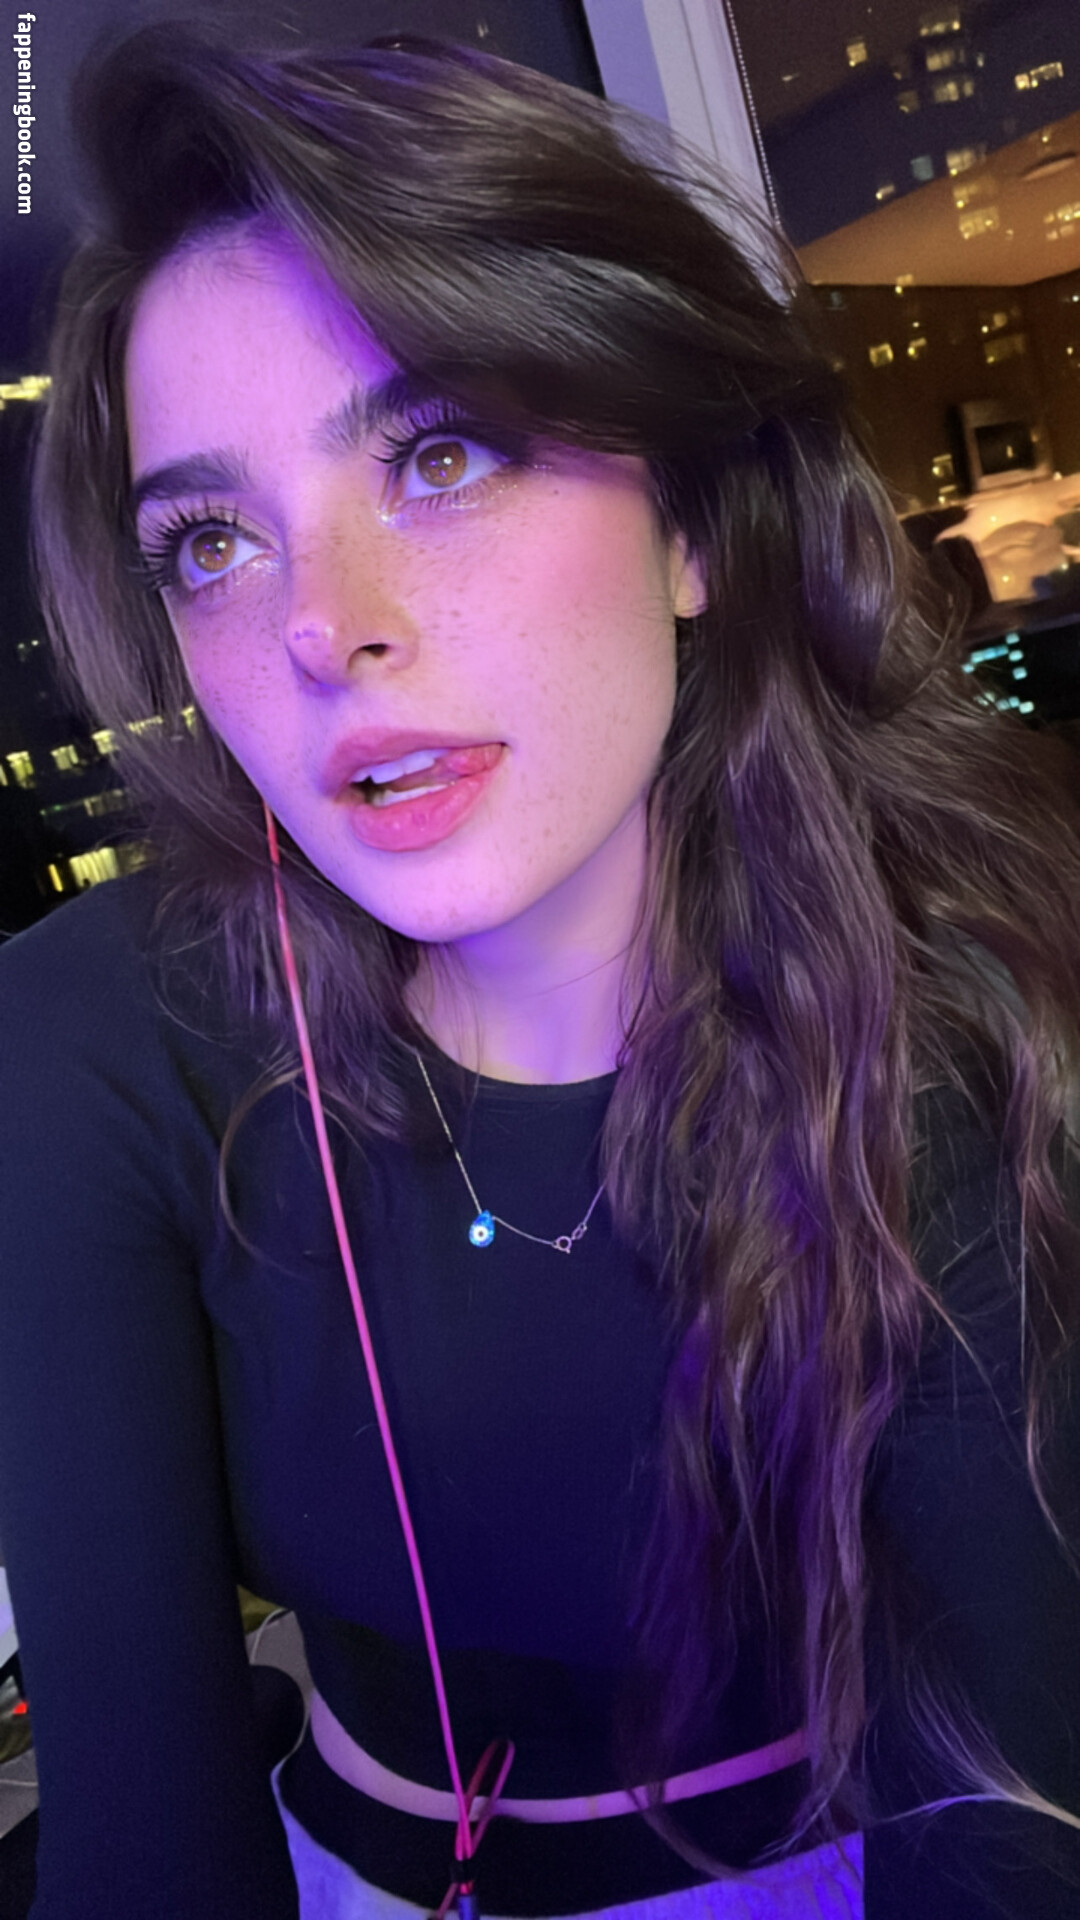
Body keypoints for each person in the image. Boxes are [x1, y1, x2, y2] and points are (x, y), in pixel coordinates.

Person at [1, 21, 1079, 1920]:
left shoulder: (942, 998)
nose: (325, 628)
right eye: (214, 540)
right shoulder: (100, 1034)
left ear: (690, 524)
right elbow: (138, 1819)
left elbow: (1018, 1795)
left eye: (439, 453)